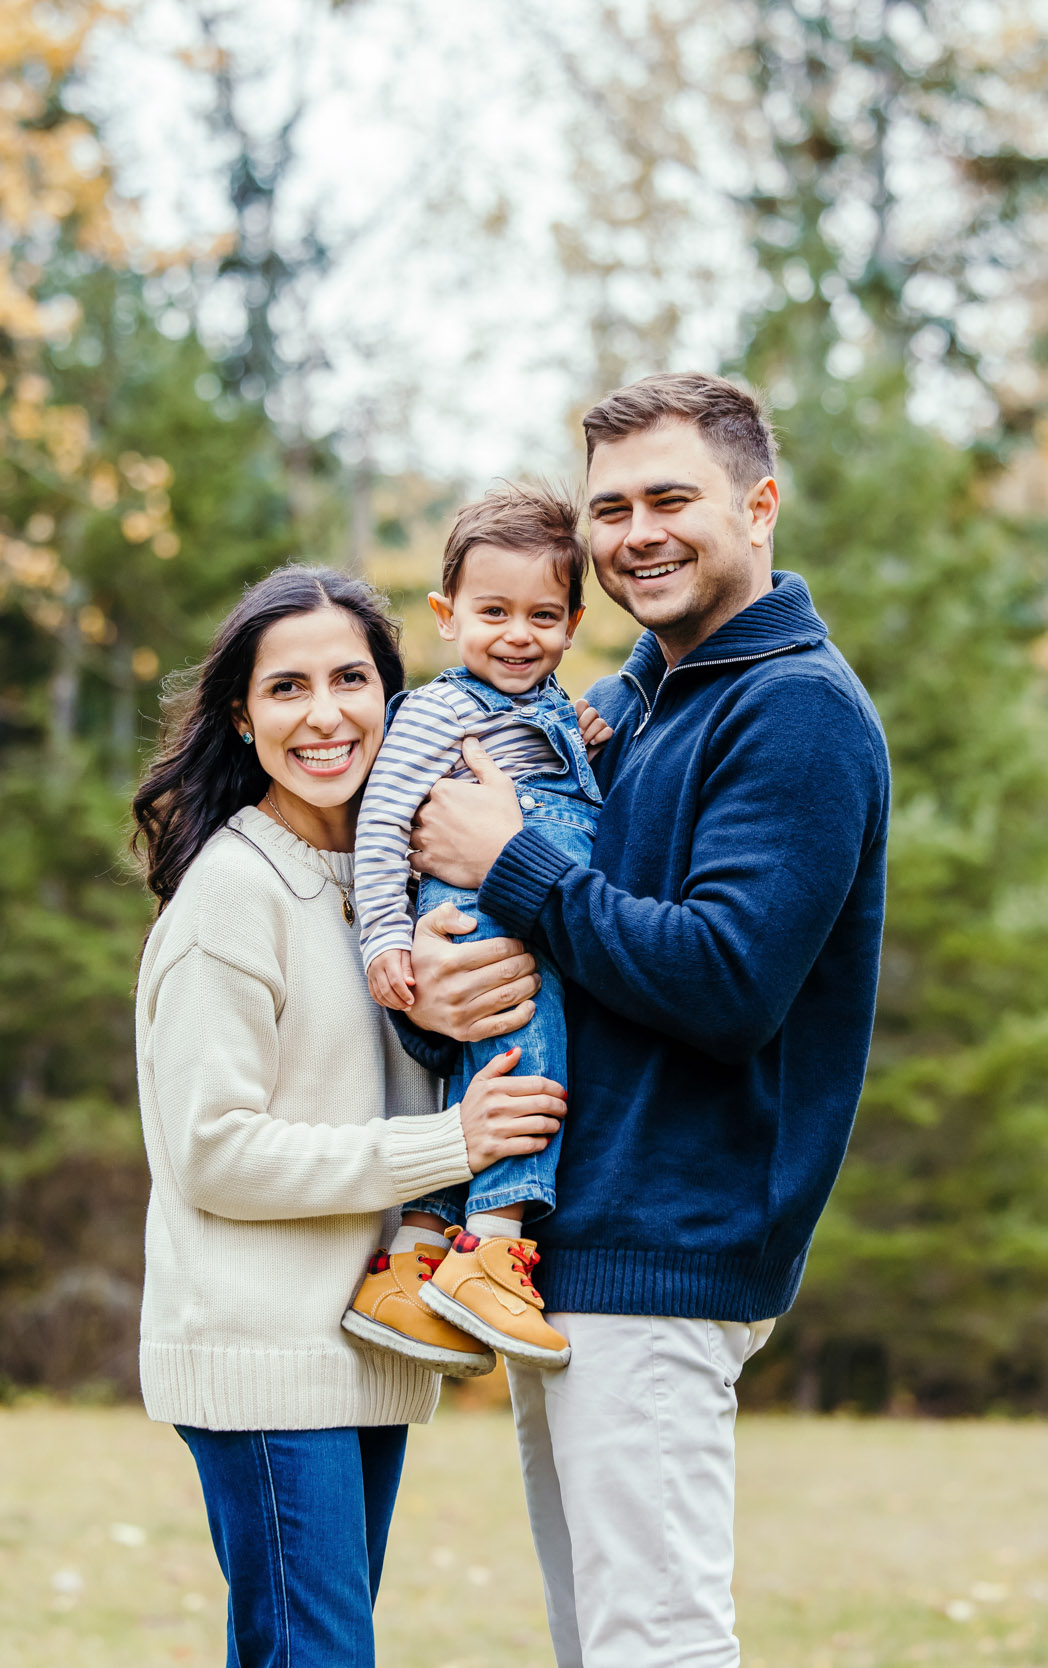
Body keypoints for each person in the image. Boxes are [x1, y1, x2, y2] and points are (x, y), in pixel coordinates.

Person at [397, 373, 891, 1668]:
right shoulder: (637, 701)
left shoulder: (795, 711)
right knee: (598, 1644)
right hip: (573, 1243)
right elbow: (560, 958)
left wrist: (516, 860)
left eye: (672, 498)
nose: (635, 535)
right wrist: (440, 987)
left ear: (760, 503)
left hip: (672, 1244)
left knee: (655, 1645)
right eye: (609, 509)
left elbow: (728, 982)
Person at [128, 565, 570, 1668]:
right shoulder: (233, 895)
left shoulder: (394, 886)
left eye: (350, 680)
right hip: (264, 1352)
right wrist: (451, 1142)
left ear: (394, 695)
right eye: (286, 689)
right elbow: (213, 1153)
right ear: (242, 713)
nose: (324, 715)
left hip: (366, 1338)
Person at [344, 484, 615, 1374]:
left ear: (574, 622)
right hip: (476, 924)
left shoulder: (551, 709)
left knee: (475, 1083)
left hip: (516, 915)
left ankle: (414, 1262)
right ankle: (495, 1250)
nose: (517, 634)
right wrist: (384, 936)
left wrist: (581, 739)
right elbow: (382, 819)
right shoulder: (436, 711)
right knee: (523, 1073)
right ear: (447, 615)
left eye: (543, 614)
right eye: (492, 611)